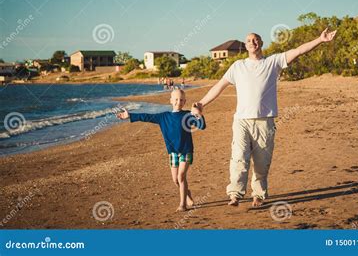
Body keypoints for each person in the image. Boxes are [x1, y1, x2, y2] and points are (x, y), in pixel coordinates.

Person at [193, 28, 336, 207]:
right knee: (239, 157)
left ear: (261, 43)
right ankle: (235, 194)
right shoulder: (237, 66)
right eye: (249, 40)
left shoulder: (273, 62)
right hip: (241, 121)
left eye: (255, 39)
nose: (252, 42)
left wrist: (320, 40)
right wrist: (201, 104)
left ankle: (258, 195)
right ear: (245, 46)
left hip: (265, 121)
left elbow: (299, 50)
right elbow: (219, 86)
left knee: (262, 163)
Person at [117, 89, 206, 212]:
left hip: (186, 151)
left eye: (181, 100)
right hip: (173, 152)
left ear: (185, 101)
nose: (178, 102)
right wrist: (130, 115)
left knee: (181, 176)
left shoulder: (187, 115)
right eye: (175, 99)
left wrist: (198, 113)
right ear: (170, 101)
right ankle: (186, 194)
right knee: (175, 180)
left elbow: (202, 126)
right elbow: (147, 116)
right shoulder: (164, 117)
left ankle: (182, 204)